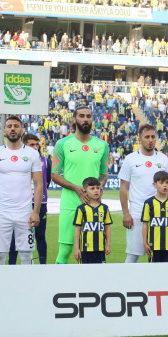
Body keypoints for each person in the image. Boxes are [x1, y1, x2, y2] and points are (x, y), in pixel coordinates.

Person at [52, 106, 109, 264]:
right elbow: (55, 175)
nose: (85, 119)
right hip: (70, 204)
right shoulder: (62, 144)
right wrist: (76, 188)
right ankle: (56, 286)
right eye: (82, 116)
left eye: (88, 116)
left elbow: (104, 173)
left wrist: (99, 186)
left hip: (95, 207)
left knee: (95, 251)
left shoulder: (102, 145)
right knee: (65, 252)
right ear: (74, 119)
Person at [0, 116, 43, 266]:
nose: (12, 129)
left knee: (26, 255)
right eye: (9, 126)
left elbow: (38, 184)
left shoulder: (32, 154)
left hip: (25, 212)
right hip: (1, 212)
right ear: (4, 130)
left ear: (21, 129)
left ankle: (28, 288)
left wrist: (35, 212)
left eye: (16, 126)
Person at [119, 124, 168, 263]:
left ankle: (155, 285)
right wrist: (126, 213)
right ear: (140, 139)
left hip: (160, 216)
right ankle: (125, 284)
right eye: (147, 137)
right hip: (137, 213)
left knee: (157, 256)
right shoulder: (130, 159)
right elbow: (123, 187)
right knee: (133, 255)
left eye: (153, 137)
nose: (150, 140)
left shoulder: (163, 159)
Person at [8, 133, 51, 264]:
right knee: (16, 237)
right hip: (21, 203)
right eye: (31, 144)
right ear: (24, 145)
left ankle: (43, 266)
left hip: (40, 203)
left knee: (40, 236)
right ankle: (11, 266)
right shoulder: (17, 159)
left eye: (37, 144)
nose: (35, 147)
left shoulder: (46, 161)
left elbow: (46, 182)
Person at [142, 171, 168, 263]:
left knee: (167, 271)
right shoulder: (149, 203)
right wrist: (145, 243)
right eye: (161, 183)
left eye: (167, 183)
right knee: (154, 272)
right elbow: (145, 224)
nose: (165, 185)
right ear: (154, 185)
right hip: (153, 245)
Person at [73, 177, 112, 264]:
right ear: (85, 192)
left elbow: (107, 227)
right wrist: (77, 248)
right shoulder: (81, 209)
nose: (96, 191)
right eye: (92, 188)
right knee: (84, 274)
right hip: (85, 249)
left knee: (100, 274)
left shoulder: (104, 208)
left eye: (98, 188)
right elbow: (77, 229)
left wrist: (108, 245)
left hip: (100, 249)